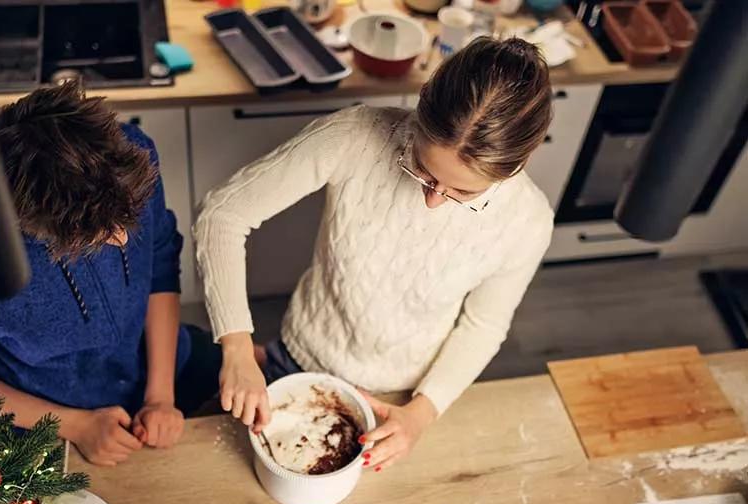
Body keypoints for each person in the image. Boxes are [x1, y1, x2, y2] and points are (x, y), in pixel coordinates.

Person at [194, 37, 555, 472]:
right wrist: (235, 346)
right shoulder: (355, 135)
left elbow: (483, 324)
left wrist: (421, 413)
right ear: (421, 107)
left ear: (520, 161)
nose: (434, 201)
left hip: (404, 397)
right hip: (298, 359)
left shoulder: (528, 221)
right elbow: (222, 216)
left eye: (463, 192)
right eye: (422, 170)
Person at [0, 82, 221, 467]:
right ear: (39, 227)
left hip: (158, 364)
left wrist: (160, 397)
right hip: (49, 422)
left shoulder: (132, 156)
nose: (123, 238)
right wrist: (78, 426)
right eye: (101, 233)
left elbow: (161, 264)